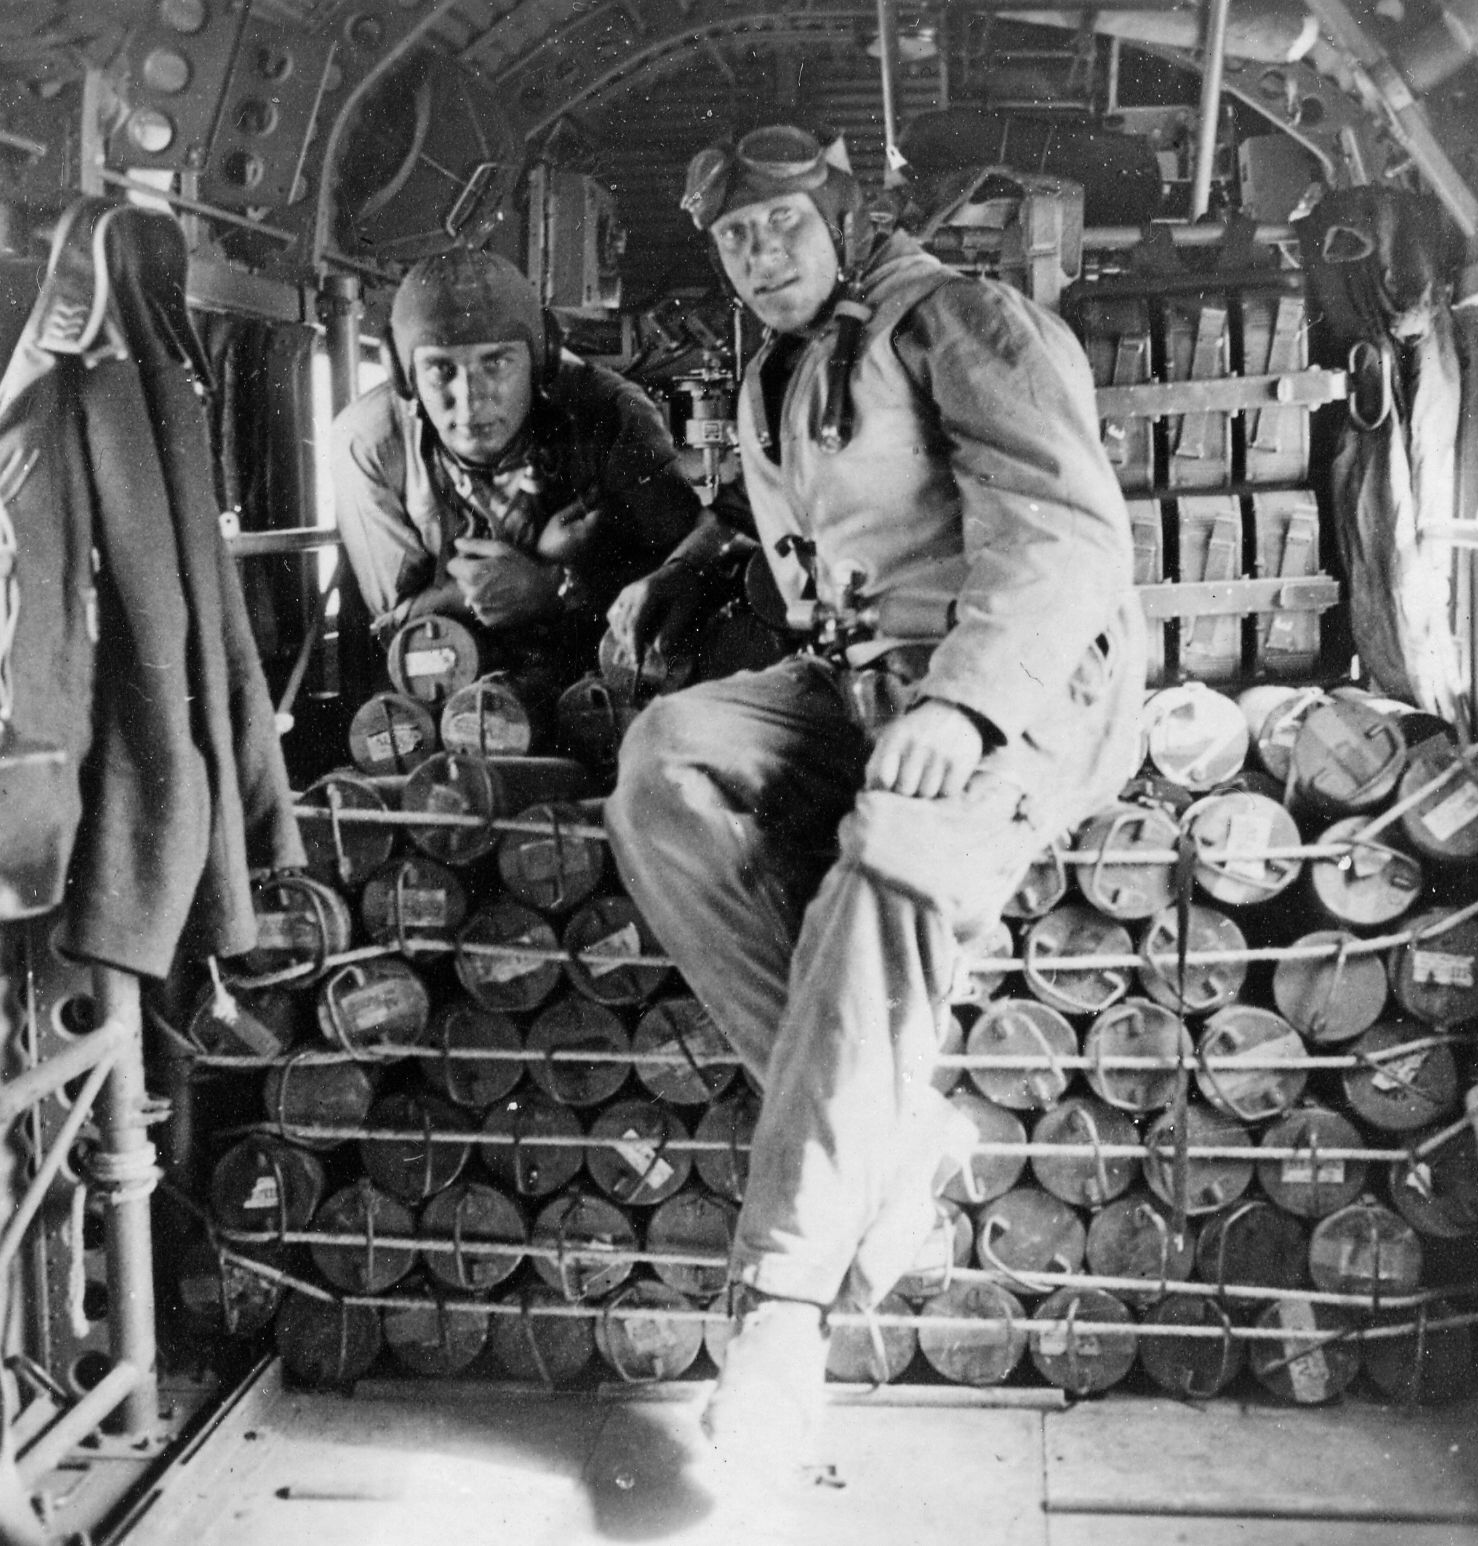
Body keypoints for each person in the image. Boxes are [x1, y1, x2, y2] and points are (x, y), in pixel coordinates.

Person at [603, 124, 1146, 1482]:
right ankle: (897, 1130)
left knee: (881, 860)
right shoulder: (779, 368)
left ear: (843, 213)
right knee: (664, 762)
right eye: (733, 239)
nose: (756, 254)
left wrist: (963, 705)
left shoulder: (962, 318)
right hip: (860, 688)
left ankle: (782, 1312)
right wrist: (670, 569)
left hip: (1020, 687)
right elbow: (781, 515)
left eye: (780, 223)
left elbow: (1065, 531)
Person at [330, 245, 701, 678]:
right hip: (448, 675)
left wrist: (554, 588)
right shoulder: (367, 441)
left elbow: (685, 582)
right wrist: (501, 584)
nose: (470, 405)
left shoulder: (612, 413)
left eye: (497, 363)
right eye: (440, 370)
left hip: (604, 668)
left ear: (541, 358)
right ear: (401, 371)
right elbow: (398, 626)